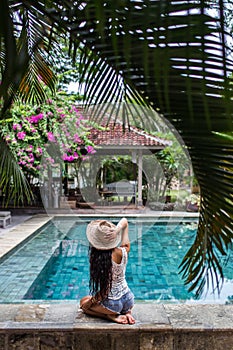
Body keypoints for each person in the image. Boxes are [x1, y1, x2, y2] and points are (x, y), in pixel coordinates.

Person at [80, 217, 135, 324]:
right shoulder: (123, 251)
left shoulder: (100, 261)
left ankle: (110, 317)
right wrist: (117, 230)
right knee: (89, 298)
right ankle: (127, 312)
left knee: (83, 303)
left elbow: (104, 291)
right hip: (128, 299)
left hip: (113, 304)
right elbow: (125, 221)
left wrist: (89, 304)